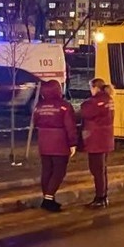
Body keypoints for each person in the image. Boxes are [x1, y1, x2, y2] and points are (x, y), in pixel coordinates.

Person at [33, 79, 78, 212]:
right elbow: (70, 126)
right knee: (59, 170)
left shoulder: (39, 106)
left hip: (44, 141)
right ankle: (48, 198)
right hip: (59, 141)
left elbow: (35, 121)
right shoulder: (64, 106)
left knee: (47, 170)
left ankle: (48, 198)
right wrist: (73, 143)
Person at [80, 78, 115, 208]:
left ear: (95, 88)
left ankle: (100, 198)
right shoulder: (109, 99)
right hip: (105, 140)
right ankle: (103, 196)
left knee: (97, 170)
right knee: (102, 170)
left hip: (97, 141)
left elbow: (84, 111)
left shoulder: (96, 101)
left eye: (91, 88)